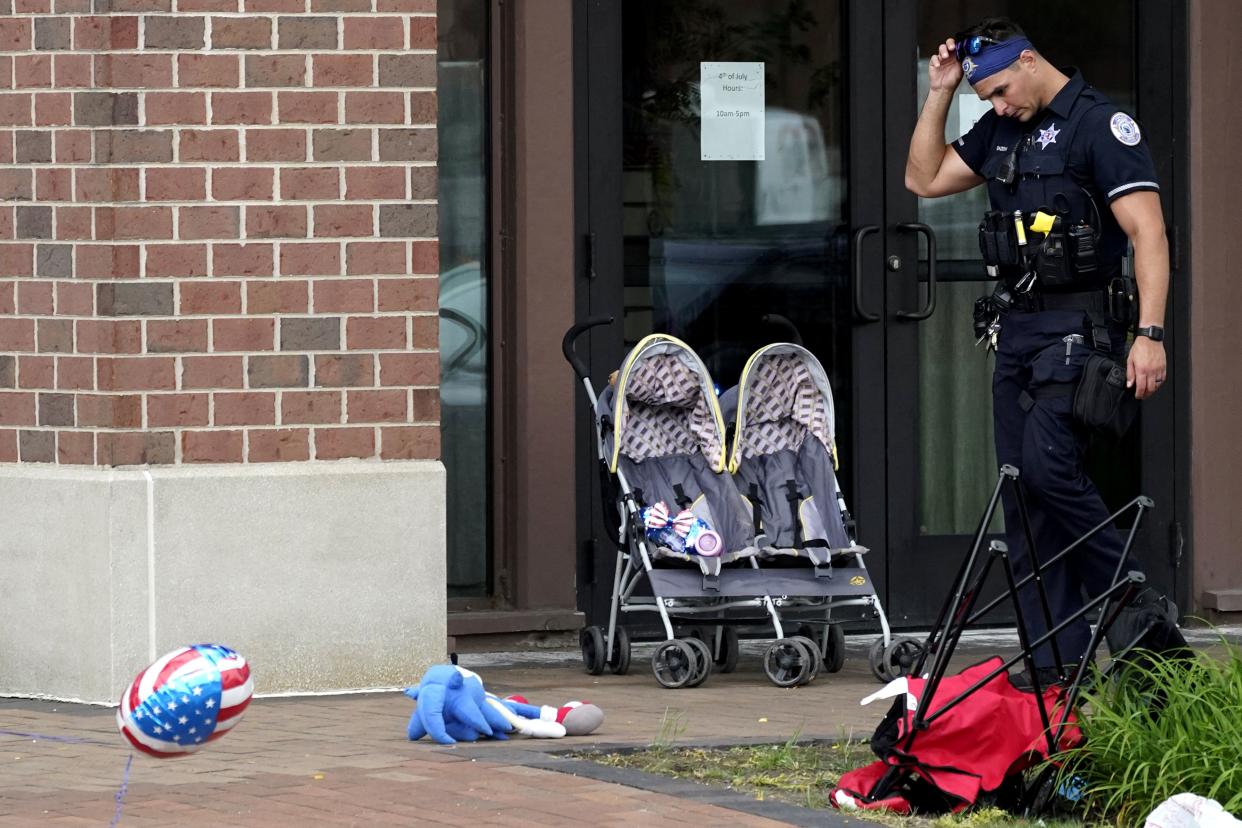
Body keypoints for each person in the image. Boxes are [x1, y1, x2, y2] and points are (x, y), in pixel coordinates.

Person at [905, 18, 1170, 688]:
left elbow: (1149, 234)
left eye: (998, 90)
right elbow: (925, 178)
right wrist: (941, 92)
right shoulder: (999, 129)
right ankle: (1056, 670)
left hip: (1080, 335)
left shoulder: (1099, 125)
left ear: (1028, 60)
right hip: (1018, 335)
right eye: (984, 96)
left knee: (1051, 472)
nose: (997, 105)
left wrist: (1151, 333)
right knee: (1024, 504)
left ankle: (1134, 595)